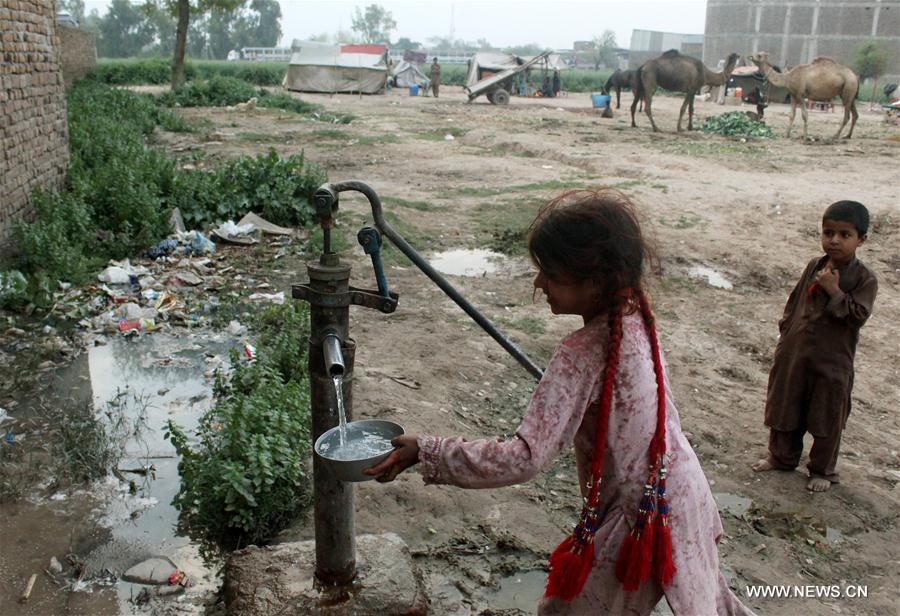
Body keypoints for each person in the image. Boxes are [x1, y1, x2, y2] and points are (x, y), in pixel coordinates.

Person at [367, 189, 754, 614]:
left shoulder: (580, 354)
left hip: (641, 518)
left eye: (549, 274)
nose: (538, 284)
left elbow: (524, 458)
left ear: (597, 279)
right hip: (681, 491)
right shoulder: (636, 314)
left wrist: (428, 450)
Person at [753, 201, 877, 492]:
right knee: (786, 405)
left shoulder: (863, 278)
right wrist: (786, 331)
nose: (834, 240)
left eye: (844, 235)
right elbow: (795, 301)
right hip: (795, 353)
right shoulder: (815, 265)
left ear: (861, 239)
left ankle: (822, 470)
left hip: (832, 361)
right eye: (828, 232)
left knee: (826, 416)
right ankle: (781, 458)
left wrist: (834, 291)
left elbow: (857, 316)